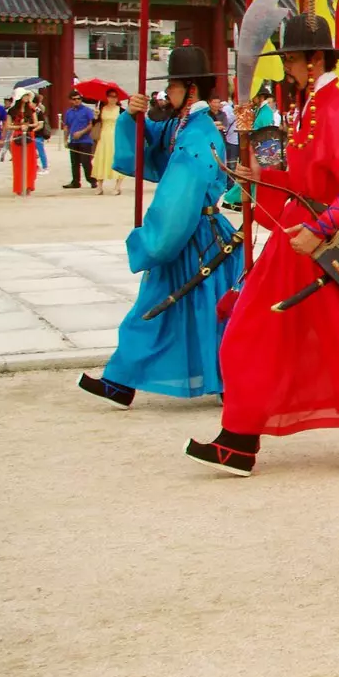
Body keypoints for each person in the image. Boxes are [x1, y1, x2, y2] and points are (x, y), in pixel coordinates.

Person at [195, 4, 339, 475]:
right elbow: (311, 180)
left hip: (325, 248)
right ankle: (240, 439)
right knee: (259, 333)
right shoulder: (312, 106)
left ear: (312, 61)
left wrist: (319, 228)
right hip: (299, 244)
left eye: (290, 59)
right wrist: (264, 176)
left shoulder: (338, 109)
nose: (286, 67)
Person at [77, 46, 242, 407]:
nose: (167, 94)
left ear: (191, 91)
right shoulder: (183, 126)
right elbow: (152, 139)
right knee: (173, 310)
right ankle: (121, 379)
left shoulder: (198, 136)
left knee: (206, 314)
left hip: (191, 235)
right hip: (196, 236)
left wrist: (152, 242)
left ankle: (230, 382)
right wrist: (132, 117)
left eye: (173, 88)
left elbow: (177, 198)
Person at [7, 87, 42, 196]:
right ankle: (19, 186)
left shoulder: (31, 109)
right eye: (24, 95)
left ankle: (28, 186)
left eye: (27, 95)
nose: (26, 97)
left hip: (29, 137)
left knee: (30, 163)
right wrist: (19, 126)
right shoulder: (12, 111)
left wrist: (27, 126)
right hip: (17, 136)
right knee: (18, 164)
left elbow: (36, 123)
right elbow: (8, 126)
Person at [61, 89, 98, 189]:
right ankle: (75, 181)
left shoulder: (87, 111)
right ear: (71, 100)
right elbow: (66, 126)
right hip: (73, 140)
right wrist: (65, 139)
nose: (77, 101)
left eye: (79, 99)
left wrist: (81, 132)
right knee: (74, 162)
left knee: (86, 162)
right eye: (74, 99)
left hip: (85, 140)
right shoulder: (68, 112)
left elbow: (91, 124)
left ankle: (92, 180)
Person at [92, 90, 124, 196]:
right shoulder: (101, 109)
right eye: (110, 96)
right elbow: (95, 123)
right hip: (104, 136)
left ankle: (117, 186)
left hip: (116, 136)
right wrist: (96, 117)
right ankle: (100, 186)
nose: (113, 98)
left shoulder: (121, 110)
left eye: (115, 97)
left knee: (116, 158)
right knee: (101, 158)